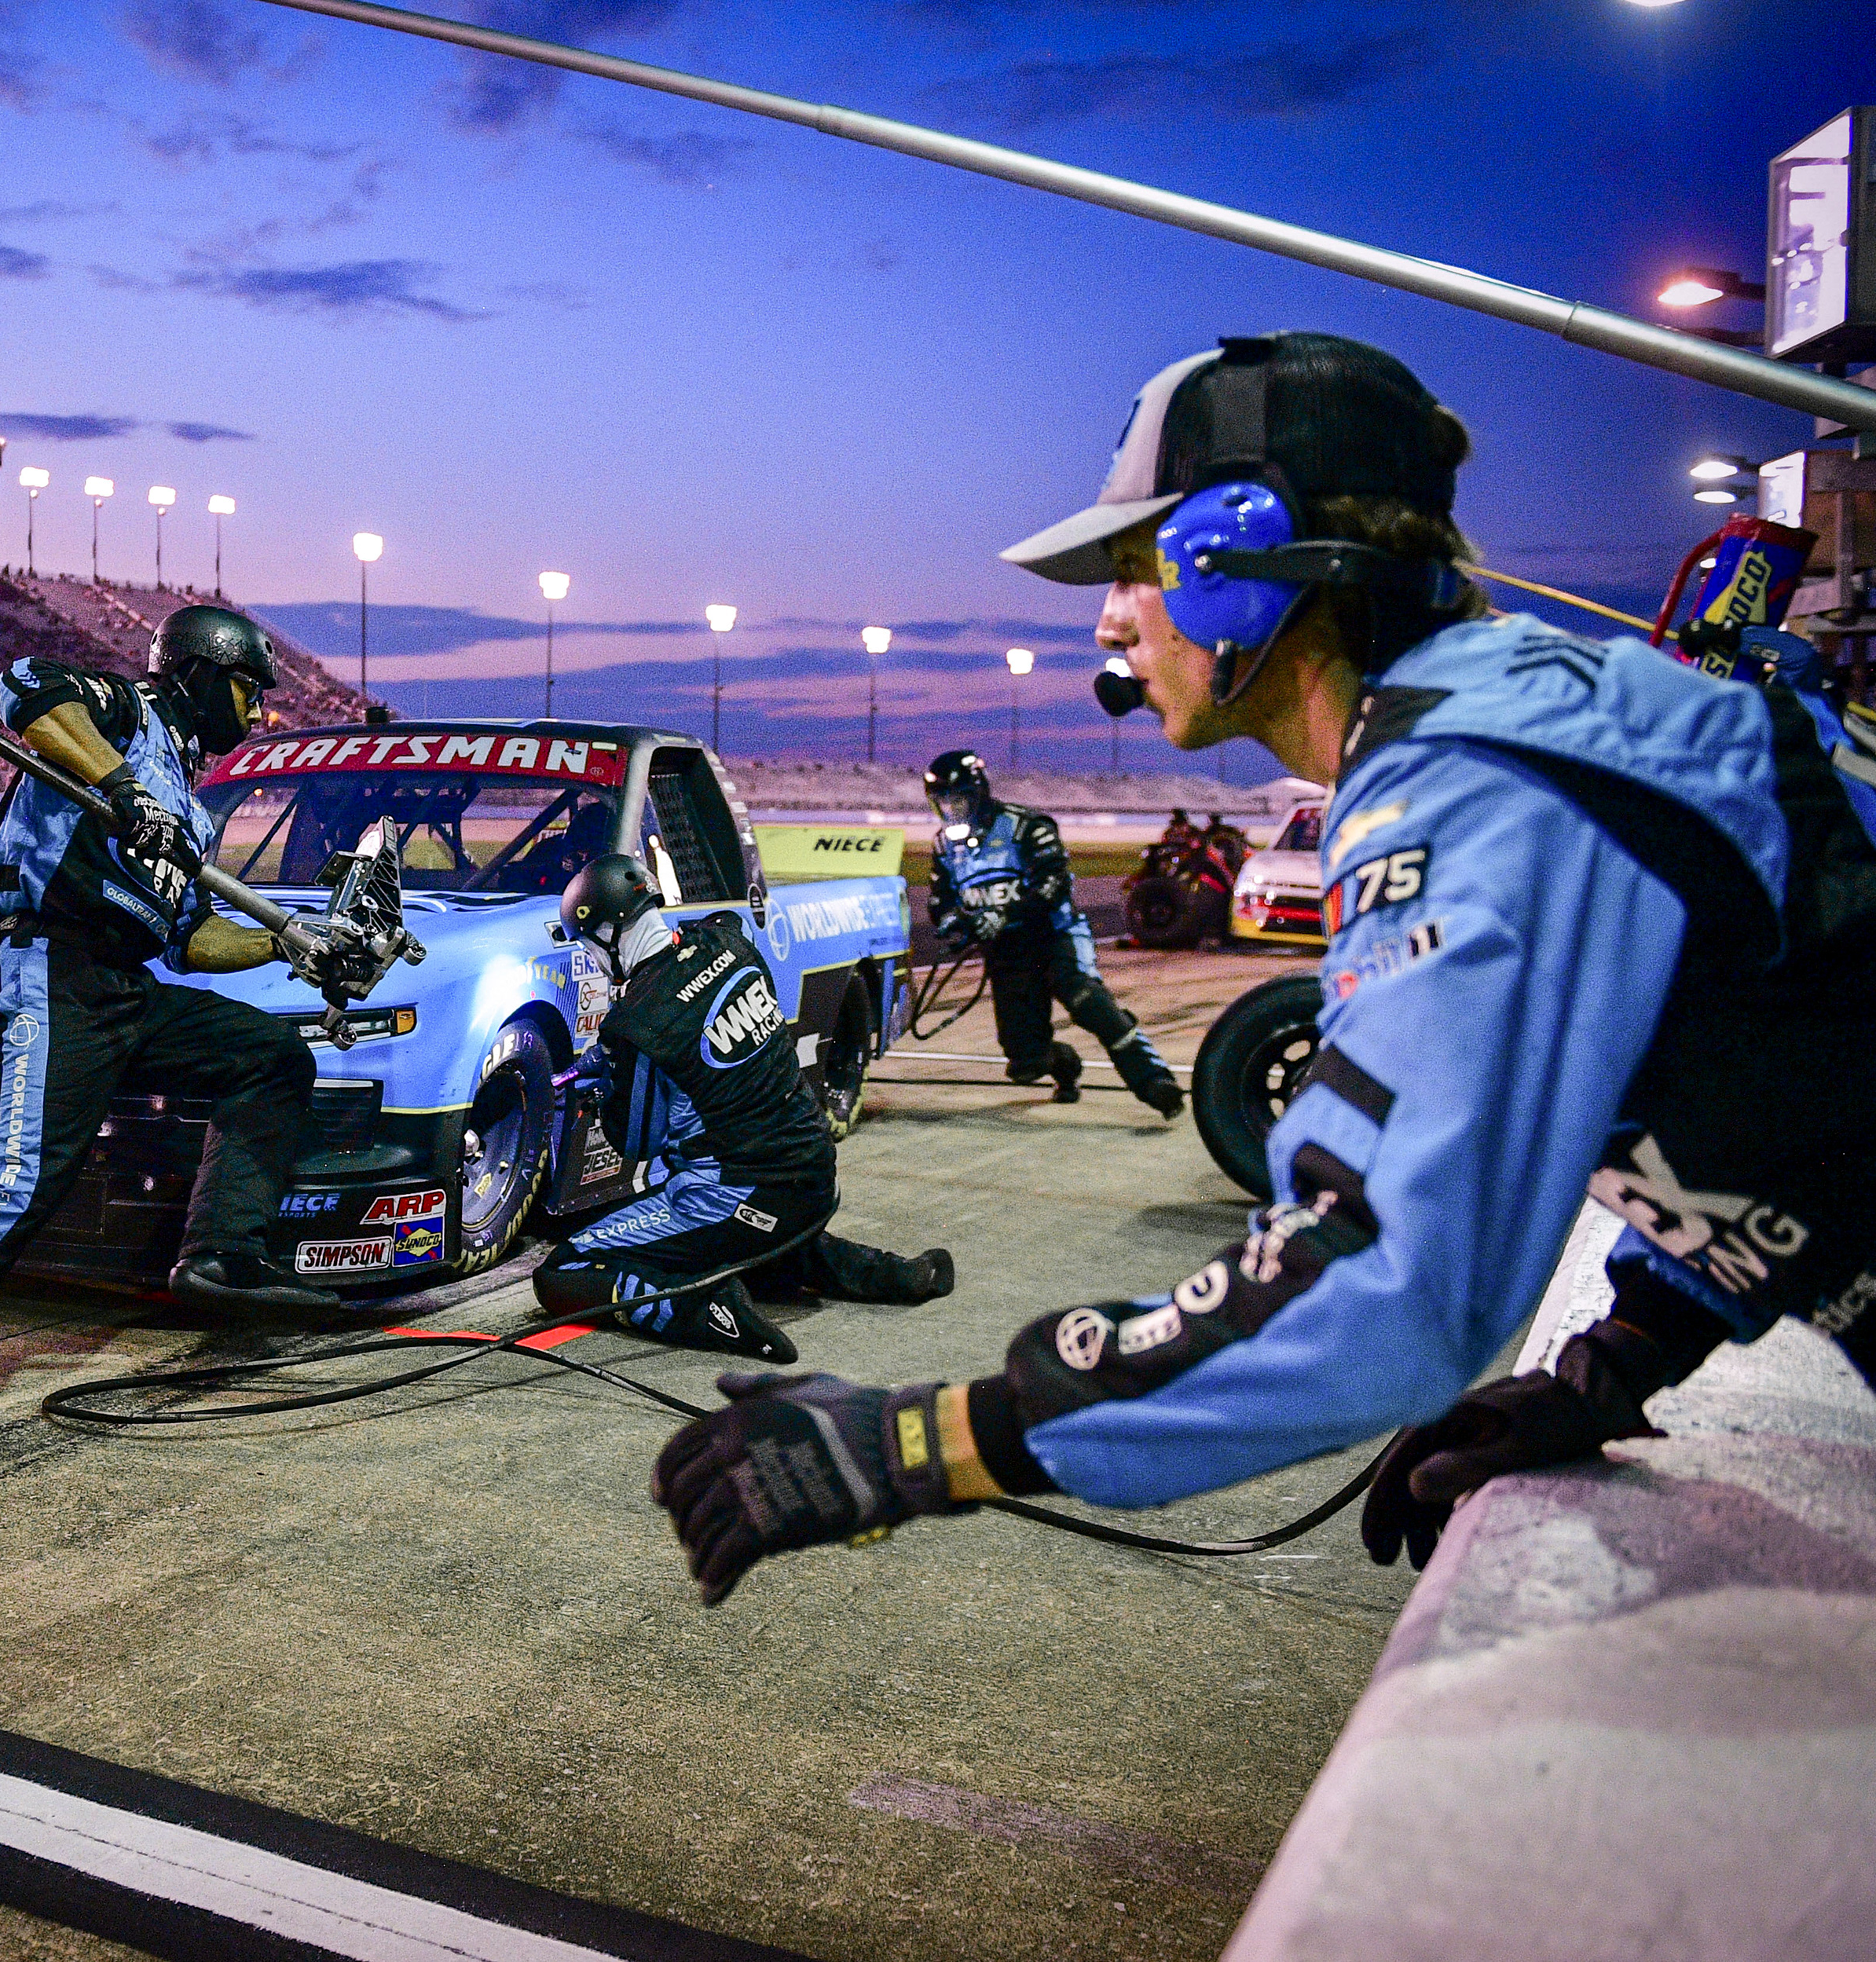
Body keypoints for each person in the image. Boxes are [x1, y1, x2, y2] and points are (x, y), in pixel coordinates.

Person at [653, 331, 1876, 1601]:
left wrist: (918, 1443)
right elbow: (1755, 1056)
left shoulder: (1475, 779)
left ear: (1237, 559)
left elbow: (1376, 1277)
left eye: (1132, 566)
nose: (1115, 616)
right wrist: (1624, 1349)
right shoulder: (1508, 723)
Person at [0, 603, 336, 1440]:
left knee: (269, 1054)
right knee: (19, 1181)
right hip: (47, 962)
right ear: (199, 673)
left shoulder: (194, 812)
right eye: (248, 689)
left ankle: (222, 1256)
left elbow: (194, 940)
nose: (259, 711)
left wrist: (290, 946)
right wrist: (119, 782)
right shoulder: (125, 713)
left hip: (122, 989)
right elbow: (19, 685)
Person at [537, 854, 954, 1365]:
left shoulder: (635, 1021)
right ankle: (892, 1274)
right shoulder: (726, 941)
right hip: (816, 1180)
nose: (596, 963)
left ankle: (703, 1309)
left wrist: (605, 1084)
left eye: (590, 948)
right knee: (761, 1241)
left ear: (607, 932)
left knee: (565, 1271)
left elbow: (635, 1142)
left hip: (743, 1200)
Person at [923, 749, 1183, 1115]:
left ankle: (1155, 1081)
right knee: (1024, 1061)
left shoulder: (1027, 826)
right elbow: (940, 901)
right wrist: (953, 923)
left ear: (979, 792)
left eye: (959, 798)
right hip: (1006, 952)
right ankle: (1066, 1066)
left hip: (1054, 936)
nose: (953, 809)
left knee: (1088, 1002)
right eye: (943, 802)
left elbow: (1055, 883)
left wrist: (1006, 913)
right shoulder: (943, 846)